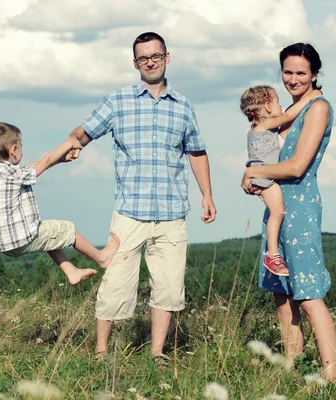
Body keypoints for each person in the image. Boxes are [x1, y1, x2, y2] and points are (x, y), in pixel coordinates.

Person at [67, 32, 216, 365]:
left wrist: (207, 194)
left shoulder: (183, 106)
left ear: (167, 57)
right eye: (143, 58)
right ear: (135, 63)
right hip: (129, 213)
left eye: (156, 56)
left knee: (168, 287)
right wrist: (70, 146)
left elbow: (197, 151)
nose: (150, 62)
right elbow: (84, 131)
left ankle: (157, 353)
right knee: (116, 284)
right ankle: (101, 352)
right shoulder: (117, 101)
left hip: (171, 213)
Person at [241, 43, 336, 381]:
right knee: (282, 298)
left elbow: (297, 167)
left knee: (309, 296)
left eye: (301, 72)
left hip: (300, 208)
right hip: (278, 208)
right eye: (287, 72)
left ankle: (332, 380)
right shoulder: (289, 110)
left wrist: (252, 173)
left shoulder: (317, 108)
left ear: (314, 74)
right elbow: (268, 159)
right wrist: (256, 176)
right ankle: (292, 372)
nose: (293, 79)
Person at [0, 122, 120, 286]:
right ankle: (102, 258)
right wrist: (69, 143)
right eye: (21, 146)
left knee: (50, 233)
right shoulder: (13, 175)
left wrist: (60, 160)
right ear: (13, 150)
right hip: (20, 239)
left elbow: (34, 167)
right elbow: (45, 161)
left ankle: (72, 272)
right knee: (68, 230)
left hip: (3, 243)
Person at [239, 85, 322, 277]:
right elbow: (287, 116)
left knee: (276, 211)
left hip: (261, 178)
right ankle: (273, 255)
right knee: (278, 211)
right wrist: (310, 97)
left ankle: (273, 253)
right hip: (265, 178)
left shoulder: (256, 128)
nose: (280, 105)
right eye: (277, 102)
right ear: (267, 106)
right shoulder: (266, 125)